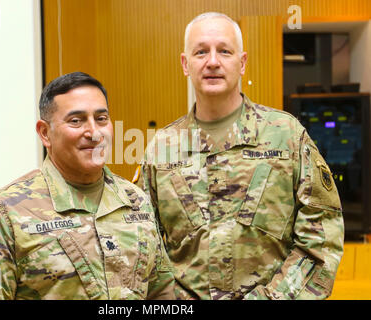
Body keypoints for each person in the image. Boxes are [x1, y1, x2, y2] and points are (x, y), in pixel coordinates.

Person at [135, 12, 344, 300]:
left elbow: (321, 237)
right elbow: (144, 245)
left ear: (242, 62)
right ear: (185, 64)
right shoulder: (161, 149)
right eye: (200, 52)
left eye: (224, 51)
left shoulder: (287, 136)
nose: (212, 62)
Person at [0, 72, 176, 300]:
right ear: (45, 133)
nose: (94, 132)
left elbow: (162, 293)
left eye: (101, 119)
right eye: (76, 121)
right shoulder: (2, 215)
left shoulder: (135, 201)